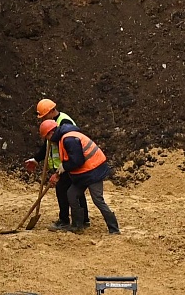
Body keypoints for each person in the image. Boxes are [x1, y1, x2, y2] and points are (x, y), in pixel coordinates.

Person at [40, 119, 120, 234]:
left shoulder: (69, 139)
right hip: (84, 173)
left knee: (98, 199)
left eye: (47, 137)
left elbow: (77, 161)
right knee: (71, 194)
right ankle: (77, 225)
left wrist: (64, 167)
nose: (48, 141)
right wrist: (59, 173)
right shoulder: (64, 138)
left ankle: (114, 228)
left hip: (94, 171)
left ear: (51, 133)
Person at [24, 98, 89, 229]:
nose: (43, 120)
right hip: (62, 164)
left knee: (68, 191)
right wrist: (36, 159)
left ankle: (67, 220)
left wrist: (64, 167)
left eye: (44, 116)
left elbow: (71, 146)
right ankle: (82, 219)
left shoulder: (64, 122)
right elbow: (47, 145)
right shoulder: (51, 124)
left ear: (52, 111)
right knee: (69, 191)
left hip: (68, 163)